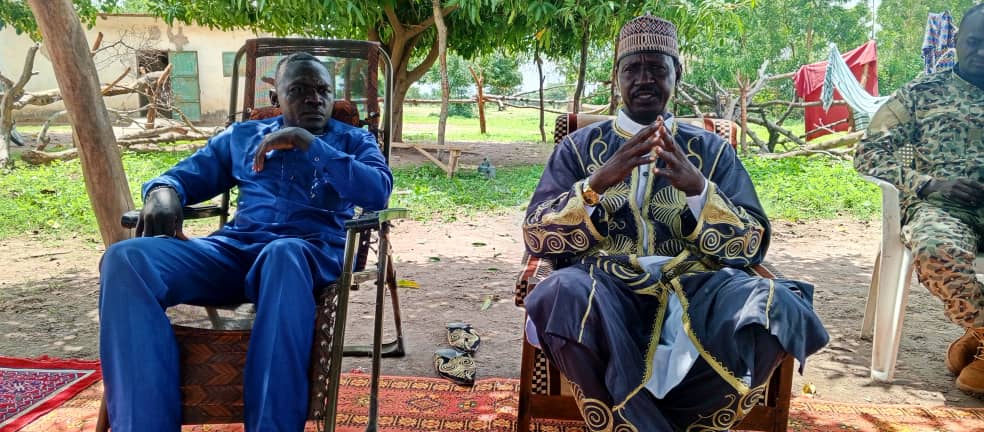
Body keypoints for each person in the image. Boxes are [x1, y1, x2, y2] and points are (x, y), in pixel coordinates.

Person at [522, 14, 829, 431]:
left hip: (698, 284)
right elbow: (538, 235)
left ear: (676, 75)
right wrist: (596, 184)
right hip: (606, 285)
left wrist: (699, 189)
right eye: (633, 68)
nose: (644, 79)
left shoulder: (712, 150)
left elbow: (753, 244)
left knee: (780, 307)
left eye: (657, 68)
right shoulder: (579, 149)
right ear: (616, 77)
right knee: (559, 293)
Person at [99, 52, 392, 432]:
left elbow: (377, 191)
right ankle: (143, 425)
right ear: (276, 100)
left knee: (283, 253)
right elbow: (184, 176)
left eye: (322, 91)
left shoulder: (353, 141)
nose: (314, 99)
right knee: (126, 260)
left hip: (309, 255)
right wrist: (162, 191)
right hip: (234, 252)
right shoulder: (243, 138)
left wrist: (309, 144)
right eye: (299, 90)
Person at [855, 4, 984, 394]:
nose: (981, 52)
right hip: (944, 210)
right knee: (934, 247)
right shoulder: (922, 92)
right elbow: (869, 154)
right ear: (957, 41)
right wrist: (929, 183)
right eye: (974, 42)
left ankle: (977, 341)